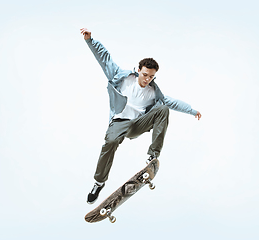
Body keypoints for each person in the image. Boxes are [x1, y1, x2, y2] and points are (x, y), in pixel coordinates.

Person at [80, 28, 202, 204]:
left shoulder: (154, 92)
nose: (147, 80)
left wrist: (192, 110)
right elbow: (104, 58)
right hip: (119, 122)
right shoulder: (122, 77)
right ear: (138, 70)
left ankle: (152, 155)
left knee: (163, 109)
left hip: (137, 124)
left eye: (151, 77)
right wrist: (90, 41)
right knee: (111, 142)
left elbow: (172, 102)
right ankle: (99, 182)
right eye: (145, 75)